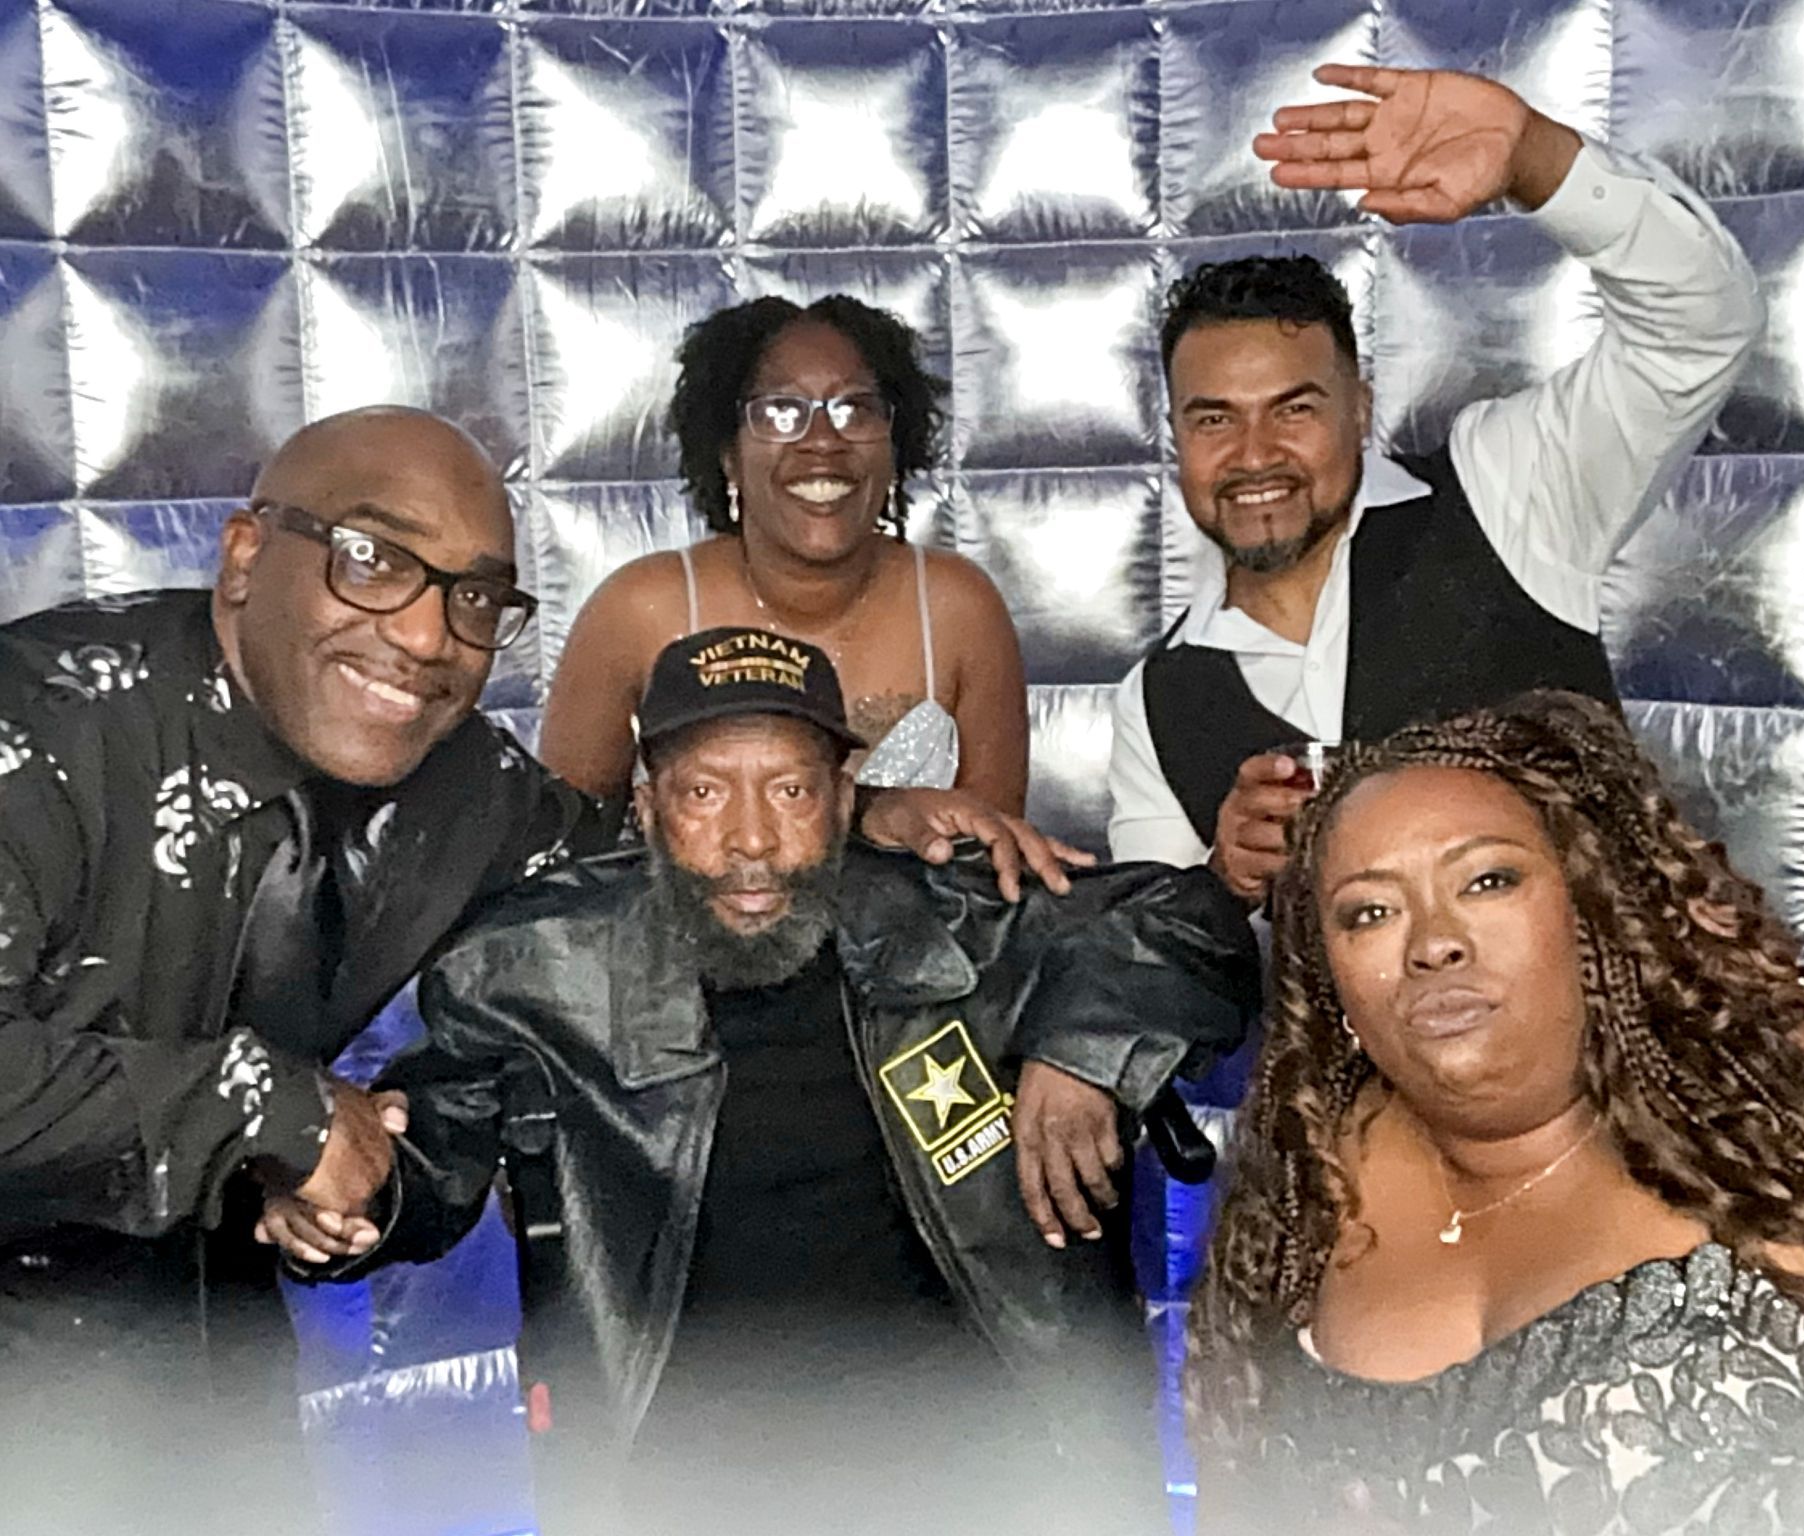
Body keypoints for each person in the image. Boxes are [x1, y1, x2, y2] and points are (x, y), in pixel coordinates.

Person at [268, 625, 1260, 1533]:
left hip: (983, 1462)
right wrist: (347, 1201)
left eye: (789, 791)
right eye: (705, 793)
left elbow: (1192, 921)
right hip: (690, 1479)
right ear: (649, 809)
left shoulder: (960, 922)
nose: (751, 839)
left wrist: (1082, 1054)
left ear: (844, 800)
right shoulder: (537, 965)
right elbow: (424, 1149)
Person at [0, 405, 622, 1534]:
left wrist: (867, 819)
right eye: (371, 559)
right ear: (246, 557)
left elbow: (655, 882)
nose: (427, 637)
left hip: (210, 1391)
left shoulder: (464, 784)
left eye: (474, 598)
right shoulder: (37, 725)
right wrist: (272, 1110)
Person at [1185, 691, 1804, 1534]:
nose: (1432, 942)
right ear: (1330, 980)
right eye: (1370, 912)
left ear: (1594, 913)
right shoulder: (1302, 1192)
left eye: (1488, 881)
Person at [1107, 64, 1765, 904]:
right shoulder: (1158, 704)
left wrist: (1537, 160)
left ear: (1361, 408)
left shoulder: (1501, 493)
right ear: (1175, 438)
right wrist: (1219, 882)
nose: (1255, 453)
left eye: (1295, 409)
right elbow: (1148, 965)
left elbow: (1701, 328)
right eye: (1213, 419)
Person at [540, 293, 1033, 815]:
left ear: (894, 449)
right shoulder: (638, 611)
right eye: (779, 412)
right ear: (728, 455)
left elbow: (997, 846)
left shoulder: (959, 608)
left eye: (855, 409)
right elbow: (564, 841)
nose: (822, 441)